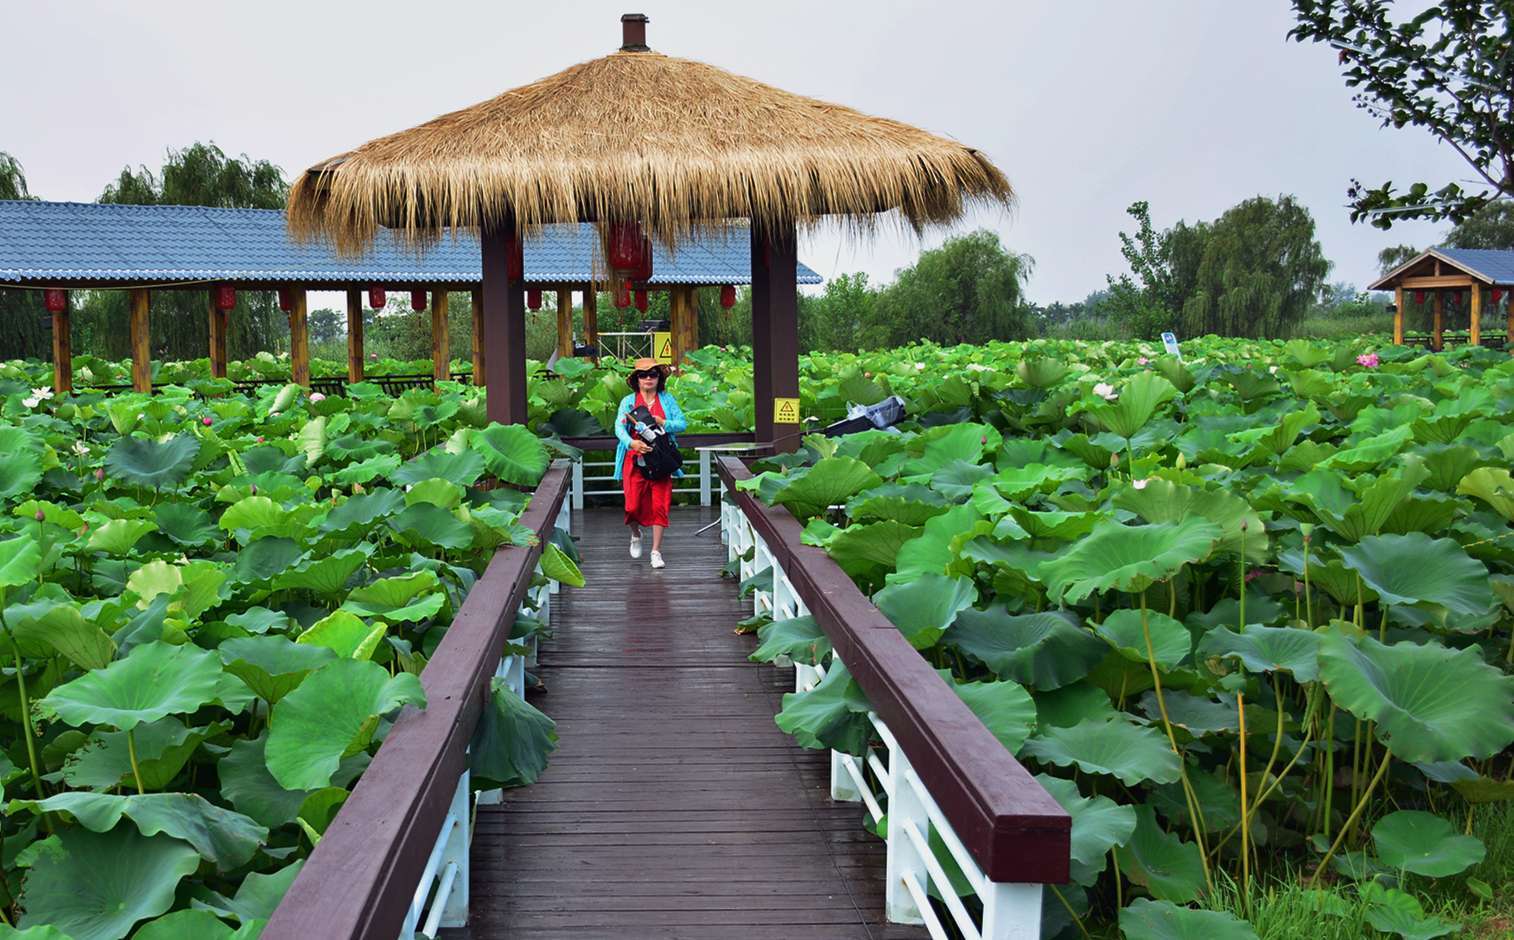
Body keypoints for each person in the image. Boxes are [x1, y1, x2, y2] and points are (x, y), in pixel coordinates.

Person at [613, 357, 687, 569]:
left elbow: (682, 424)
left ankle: (656, 551)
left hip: (661, 459)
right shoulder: (628, 402)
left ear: (659, 378)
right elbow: (618, 428)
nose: (647, 379)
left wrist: (665, 423)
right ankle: (635, 534)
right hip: (635, 459)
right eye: (642, 375)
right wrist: (632, 443)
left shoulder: (667, 400)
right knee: (632, 505)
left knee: (660, 505)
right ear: (636, 379)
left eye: (652, 374)